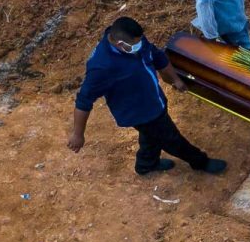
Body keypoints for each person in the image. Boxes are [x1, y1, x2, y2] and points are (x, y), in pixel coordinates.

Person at [69, 17, 227, 177]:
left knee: (151, 136)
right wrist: (78, 134)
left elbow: (158, 57)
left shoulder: (134, 42)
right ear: (119, 44)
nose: (140, 45)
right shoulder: (101, 67)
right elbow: (84, 101)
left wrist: (175, 79)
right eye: (136, 45)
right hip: (141, 113)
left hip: (154, 101)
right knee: (171, 140)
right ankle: (200, 162)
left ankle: (146, 164)